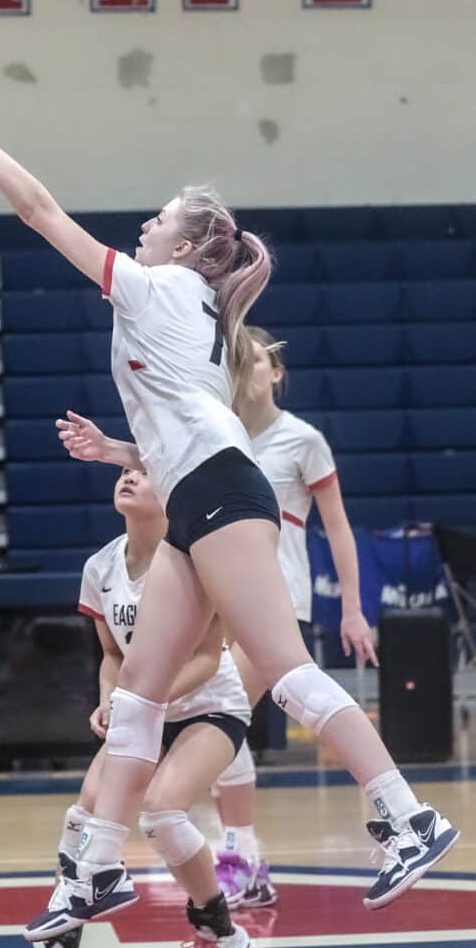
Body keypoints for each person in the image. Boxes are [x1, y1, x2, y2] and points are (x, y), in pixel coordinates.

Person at [0, 94, 459, 938]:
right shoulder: (185, 304)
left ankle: (405, 817)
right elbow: (182, 430)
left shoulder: (160, 286)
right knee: (134, 698)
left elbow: (39, 212)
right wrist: (124, 455)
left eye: (157, 219)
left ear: (189, 247)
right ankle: (90, 872)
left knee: (286, 667)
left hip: (226, 493)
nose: (143, 227)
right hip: (199, 494)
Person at [45, 465, 252, 948]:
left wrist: (145, 699)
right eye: (123, 470)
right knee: (83, 814)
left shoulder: (196, 559)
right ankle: (65, 927)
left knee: (161, 814)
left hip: (209, 705)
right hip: (145, 710)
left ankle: (215, 924)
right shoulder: (99, 567)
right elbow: (114, 654)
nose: (128, 477)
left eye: (144, 471)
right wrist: (108, 698)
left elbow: (207, 656)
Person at [212, 325, 378, 909]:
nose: (246, 368)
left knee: (219, 717)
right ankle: (244, 860)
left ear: (276, 371)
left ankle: (237, 859)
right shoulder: (214, 431)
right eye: (237, 359)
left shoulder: (303, 440)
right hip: (215, 604)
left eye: (255, 360)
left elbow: (338, 527)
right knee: (217, 726)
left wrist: (354, 609)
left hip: (279, 602)